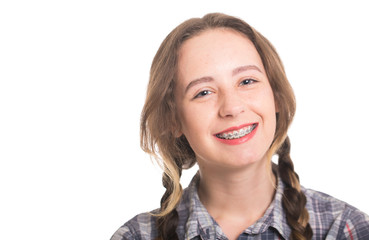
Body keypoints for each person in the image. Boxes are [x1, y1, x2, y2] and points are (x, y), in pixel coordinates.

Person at [111, 13, 369, 240]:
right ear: (173, 120)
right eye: (203, 92)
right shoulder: (136, 236)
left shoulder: (345, 229)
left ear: (276, 95)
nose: (232, 107)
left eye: (247, 81)